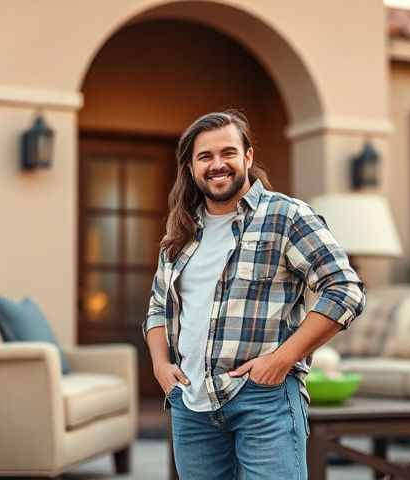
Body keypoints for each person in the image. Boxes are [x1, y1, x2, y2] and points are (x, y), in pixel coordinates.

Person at [143, 110, 366, 479]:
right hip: (191, 405)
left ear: (247, 157)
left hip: (263, 398)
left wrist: (283, 358)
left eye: (228, 153)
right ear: (191, 167)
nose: (218, 165)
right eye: (205, 157)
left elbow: (345, 290)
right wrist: (160, 366)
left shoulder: (286, 215)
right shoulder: (181, 231)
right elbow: (157, 306)